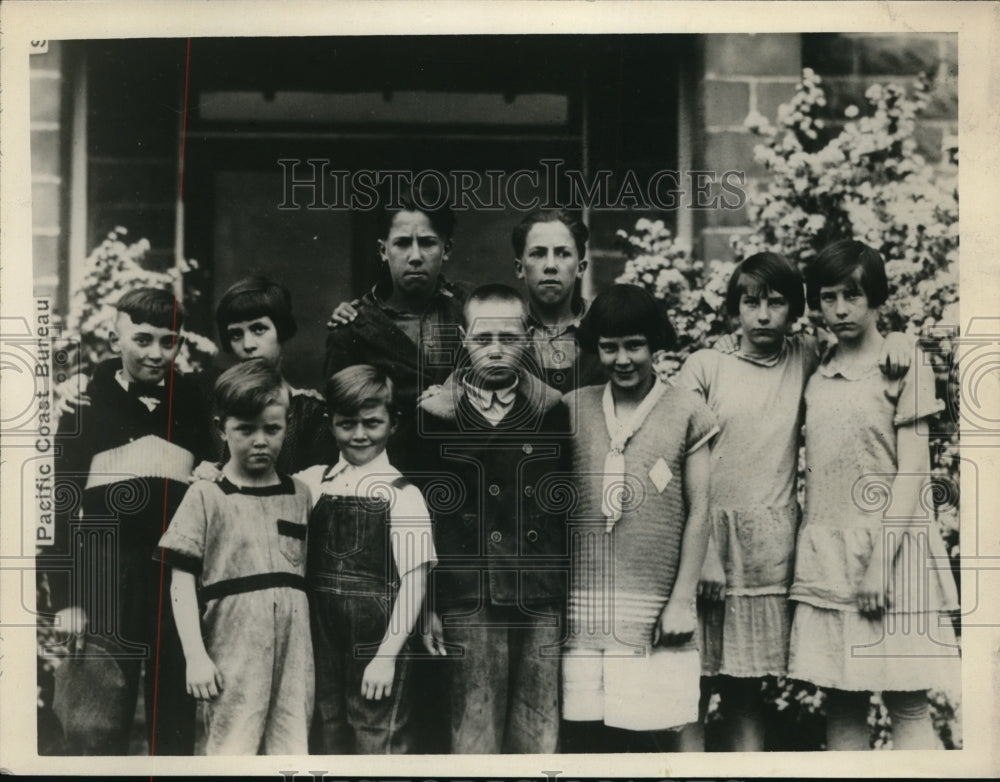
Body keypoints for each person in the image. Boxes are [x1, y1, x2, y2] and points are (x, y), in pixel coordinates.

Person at [674, 253, 915, 751]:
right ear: (733, 309)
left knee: (744, 693)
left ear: (796, 310)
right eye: (751, 303)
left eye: (777, 303)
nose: (763, 316)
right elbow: (675, 460)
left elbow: (863, 348)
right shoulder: (706, 366)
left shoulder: (807, 357)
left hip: (770, 553)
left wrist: (899, 339)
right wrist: (705, 555)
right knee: (688, 690)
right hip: (705, 548)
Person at [788, 239, 959, 750]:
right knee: (842, 699)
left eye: (853, 295)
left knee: (907, 701)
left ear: (877, 297)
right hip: (829, 556)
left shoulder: (903, 364)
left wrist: (881, 564)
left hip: (893, 555)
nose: (839, 309)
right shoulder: (817, 369)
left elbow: (913, 471)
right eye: (827, 297)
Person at [48, 287, 212, 754]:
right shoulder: (83, 402)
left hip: (174, 578)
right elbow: (59, 504)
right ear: (114, 333)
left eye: (169, 341)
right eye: (142, 338)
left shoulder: (193, 402)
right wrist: (67, 599)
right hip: (103, 573)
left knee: (174, 720)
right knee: (95, 723)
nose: (156, 353)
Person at [560, 284, 717, 753]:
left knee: (650, 735)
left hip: (652, 608)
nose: (622, 359)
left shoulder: (686, 409)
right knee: (587, 737)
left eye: (635, 345)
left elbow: (701, 509)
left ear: (655, 344)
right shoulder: (573, 408)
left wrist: (681, 601)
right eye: (609, 347)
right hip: (583, 609)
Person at [415, 284, 570, 754]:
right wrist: (429, 604)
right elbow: (420, 519)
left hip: (537, 592)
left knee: (537, 728)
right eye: (484, 340)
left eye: (509, 337)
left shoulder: (550, 410)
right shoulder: (435, 414)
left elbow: (562, 506)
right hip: (467, 592)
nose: (497, 351)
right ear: (463, 338)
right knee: (473, 728)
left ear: (529, 337)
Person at [157, 360, 314, 754]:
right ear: (221, 428)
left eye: (272, 429)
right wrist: (195, 655)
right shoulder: (206, 495)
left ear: (287, 426)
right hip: (233, 647)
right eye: (245, 429)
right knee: (233, 747)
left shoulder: (301, 494)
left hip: (295, 654)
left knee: (292, 748)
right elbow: (180, 581)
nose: (260, 440)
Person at [295, 364, 437, 754]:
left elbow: (415, 581)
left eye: (372, 423)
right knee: (327, 730)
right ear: (331, 423)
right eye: (346, 424)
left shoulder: (403, 494)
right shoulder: (311, 482)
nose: (359, 435)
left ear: (393, 423)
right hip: (320, 637)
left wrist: (387, 656)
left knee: (377, 733)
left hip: (378, 639)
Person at [323, 183, 466, 474]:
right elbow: (341, 419)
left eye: (427, 242)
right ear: (383, 250)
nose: (415, 256)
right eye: (402, 243)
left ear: (446, 248)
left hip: (465, 479)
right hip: (386, 482)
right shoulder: (353, 328)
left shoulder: (472, 314)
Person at [511, 209, 604, 393]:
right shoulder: (502, 331)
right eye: (538, 253)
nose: (551, 266)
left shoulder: (605, 325)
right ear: (520, 268)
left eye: (563, 253)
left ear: (580, 267)